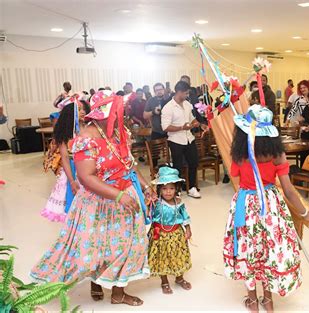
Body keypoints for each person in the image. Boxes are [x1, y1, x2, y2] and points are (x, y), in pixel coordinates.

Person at [30, 90, 155, 306]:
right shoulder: (86, 139)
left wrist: (146, 187)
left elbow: (129, 165)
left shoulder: (118, 132)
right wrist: (118, 196)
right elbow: (86, 177)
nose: (122, 113)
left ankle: (118, 292)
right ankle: (95, 280)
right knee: (94, 246)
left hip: (125, 197)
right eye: (117, 109)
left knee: (128, 244)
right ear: (103, 113)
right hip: (99, 203)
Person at [224, 104, 309, 312]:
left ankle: (252, 300)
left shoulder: (239, 155)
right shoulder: (277, 155)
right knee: (268, 250)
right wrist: (305, 213)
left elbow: (236, 178)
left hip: (245, 206)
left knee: (249, 250)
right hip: (271, 207)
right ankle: (268, 300)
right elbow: (289, 189)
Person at [148, 166, 192, 294]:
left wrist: (188, 229)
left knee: (178, 256)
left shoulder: (179, 203)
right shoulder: (156, 204)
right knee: (162, 257)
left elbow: (185, 217)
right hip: (160, 235)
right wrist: (148, 203)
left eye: (171, 188)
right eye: (164, 189)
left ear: (177, 189)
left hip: (177, 235)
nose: (168, 192)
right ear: (159, 189)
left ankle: (179, 278)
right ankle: (164, 281)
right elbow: (148, 216)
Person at [41, 98, 87, 222]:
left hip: (88, 167)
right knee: (73, 205)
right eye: (79, 110)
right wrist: (71, 181)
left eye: (83, 109)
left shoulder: (89, 129)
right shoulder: (66, 134)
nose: (82, 112)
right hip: (73, 170)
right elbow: (65, 159)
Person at [161, 81, 208, 199]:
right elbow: (165, 127)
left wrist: (198, 124)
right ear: (179, 92)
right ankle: (176, 190)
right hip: (176, 140)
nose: (187, 95)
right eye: (186, 93)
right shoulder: (168, 107)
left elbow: (191, 119)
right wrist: (182, 127)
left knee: (193, 162)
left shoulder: (187, 104)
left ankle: (192, 187)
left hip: (189, 138)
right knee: (177, 166)